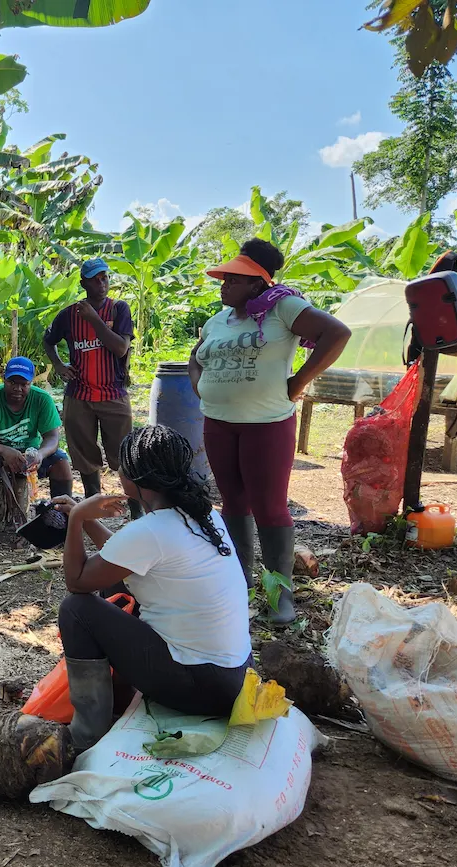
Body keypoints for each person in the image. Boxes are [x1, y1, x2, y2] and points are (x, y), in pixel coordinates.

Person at [51, 425, 252, 752]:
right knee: (113, 581)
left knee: (77, 609)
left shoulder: (152, 530)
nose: (118, 472)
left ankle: (88, 732)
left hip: (200, 686)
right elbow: (124, 557)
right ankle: (120, 695)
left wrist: (74, 523)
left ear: (135, 481)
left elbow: (77, 581)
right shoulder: (201, 515)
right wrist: (84, 516)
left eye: (122, 468)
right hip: (234, 678)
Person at [188, 238, 351, 625]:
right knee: (232, 502)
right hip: (219, 424)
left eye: (233, 279)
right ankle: (238, 586)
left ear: (257, 284)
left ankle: (279, 596)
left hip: (266, 425)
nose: (223, 284)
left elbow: (337, 334)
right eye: (224, 277)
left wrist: (297, 383)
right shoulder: (217, 321)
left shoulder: (282, 307)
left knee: (270, 506)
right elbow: (195, 358)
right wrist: (201, 387)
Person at [44, 258, 139, 517]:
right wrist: (59, 365)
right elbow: (48, 340)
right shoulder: (68, 315)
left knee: (125, 456)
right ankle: (93, 506)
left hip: (113, 394)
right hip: (79, 396)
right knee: (84, 456)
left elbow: (120, 348)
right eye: (95, 279)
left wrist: (94, 319)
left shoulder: (119, 309)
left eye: (105, 277)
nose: (102, 283)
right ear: (83, 282)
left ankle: (137, 511)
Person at [0, 357, 73, 549]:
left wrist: (40, 454)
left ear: (31, 382)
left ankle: (61, 524)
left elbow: (52, 438)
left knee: (61, 462)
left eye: (24, 384)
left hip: (29, 454)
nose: (17, 389)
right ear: (4, 379)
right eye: (12, 383)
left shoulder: (42, 399)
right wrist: (4, 451)